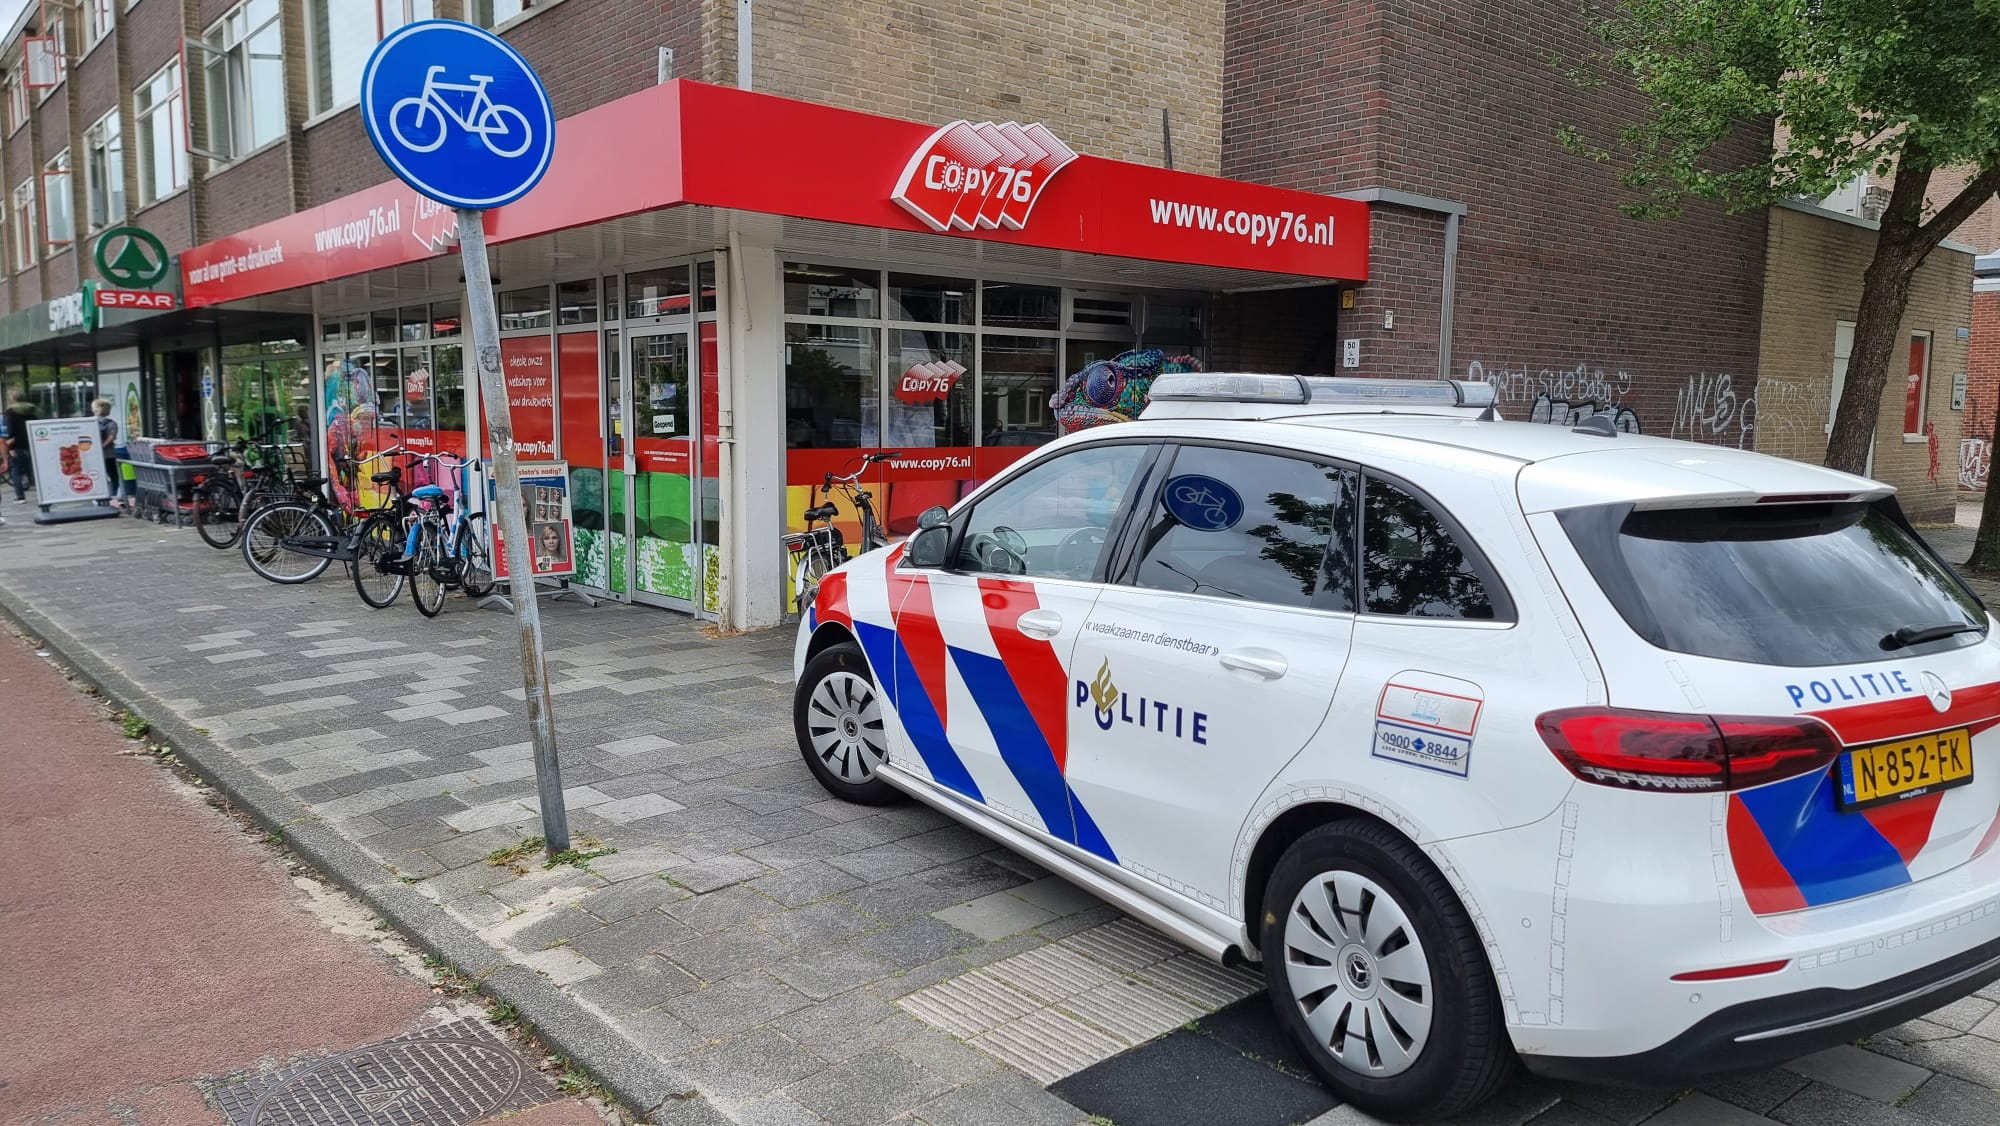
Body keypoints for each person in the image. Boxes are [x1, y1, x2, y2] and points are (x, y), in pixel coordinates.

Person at [3, 394, 33, 504]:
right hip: (32, 443)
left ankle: (20, 496)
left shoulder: (10, 412)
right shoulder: (32, 410)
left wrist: (10, 447)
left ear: (13, 399)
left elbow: (10, 431)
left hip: (17, 445)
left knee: (16, 471)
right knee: (34, 469)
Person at [92, 398, 120, 508]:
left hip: (94, 455)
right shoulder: (111, 423)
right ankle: (112, 496)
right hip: (108, 454)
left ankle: (97, 497)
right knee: (113, 476)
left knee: (96, 476)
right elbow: (111, 437)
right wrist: (102, 446)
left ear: (95, 409)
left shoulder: (90, 422)